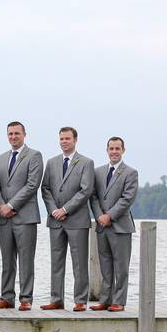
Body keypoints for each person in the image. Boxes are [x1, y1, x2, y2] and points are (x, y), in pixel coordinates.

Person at [40, 126, 95, 312]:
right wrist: (54, 210)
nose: (64, 142)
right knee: (56, 261)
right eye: (61, 139)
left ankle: (80, 300)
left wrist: (65, 209)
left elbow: (86, 190)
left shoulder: (86, 162)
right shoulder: (52, 162)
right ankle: (56, 299)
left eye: (67, 139)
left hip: (77, 220)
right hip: (55, 220)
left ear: (75, 140)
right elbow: (45, 188)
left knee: (79, 262)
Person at [0, 121, 43, 311]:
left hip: (25, 216)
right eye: (10, 134)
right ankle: (6, 297)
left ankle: (26, 298)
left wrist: (12, 205)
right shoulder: (1, 158)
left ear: (24, 134)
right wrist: (1, 206)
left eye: (16, 134)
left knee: (26, 259)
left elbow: (32, 185)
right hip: (4, 217)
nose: (13, 137)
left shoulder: (34, 156)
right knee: (7, 260)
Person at [89, 136, 138, 312]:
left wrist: (109, 215)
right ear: (107, 150)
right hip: (102, 226)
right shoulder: (97, 172)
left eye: (118, 149)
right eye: (111, 148)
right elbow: (93, 197)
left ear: (123, 150)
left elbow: (127, 198)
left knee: (121, 266)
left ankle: (119, 301)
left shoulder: (130, 173)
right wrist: (99, 216)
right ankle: (105, 300)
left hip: (120, 226)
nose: (114, 152)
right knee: (105, 265)